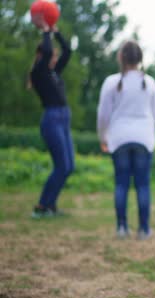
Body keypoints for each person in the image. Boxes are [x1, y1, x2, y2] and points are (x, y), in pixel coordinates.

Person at [97, 40, 155, 240]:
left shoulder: (111, 82)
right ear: (140, 58)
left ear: (120, 57)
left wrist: (103, 137)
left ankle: (122, 228)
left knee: (121, 184)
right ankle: (143, 229)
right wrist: (147, 129)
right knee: (143, 185)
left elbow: (103, 115)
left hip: (119, 138)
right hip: (144, 138)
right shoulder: (149, 82)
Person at [29, 15, 74, 218]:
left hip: (63, 118)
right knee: (61, 166)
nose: (54, 57)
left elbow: (68, 51)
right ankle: (42, 206)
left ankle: (50, 205)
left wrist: (56, 33)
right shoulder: (38, 72)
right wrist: (46, 31)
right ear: (41, 55)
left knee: (68, 166)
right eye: (50, 55)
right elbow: (47, 50)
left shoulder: (54, 71)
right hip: (52, 119)